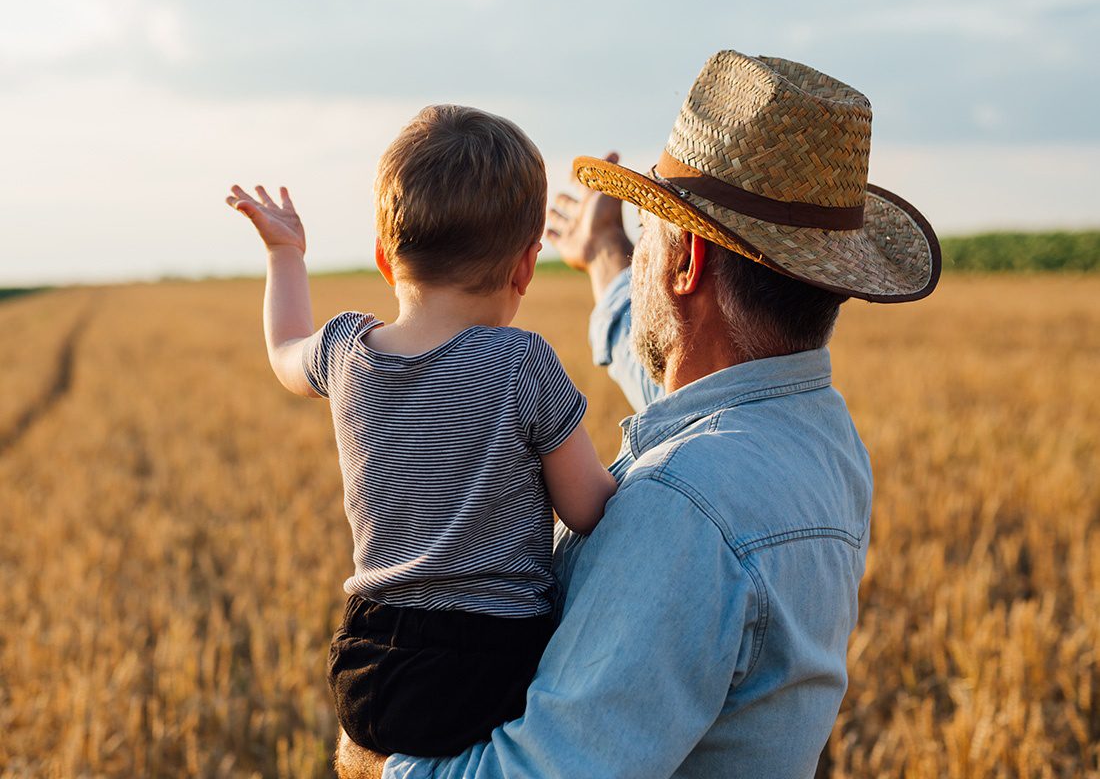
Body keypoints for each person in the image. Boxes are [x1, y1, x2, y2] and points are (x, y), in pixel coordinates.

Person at [338, 49, 941, 778]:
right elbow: (671, 374)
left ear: (685, 259)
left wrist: (374, 758)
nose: (641, 243)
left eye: (651, 223)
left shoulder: (683, 511)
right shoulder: (817, 435)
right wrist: (604, 256)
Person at [225, 104, 617, 758]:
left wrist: (285, 253)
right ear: (526, 266)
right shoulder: (523, 362)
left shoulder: (346, 349)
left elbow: (284, 347)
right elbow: (587, 509)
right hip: (494, 668)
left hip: (369, 668)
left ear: (385, 257)